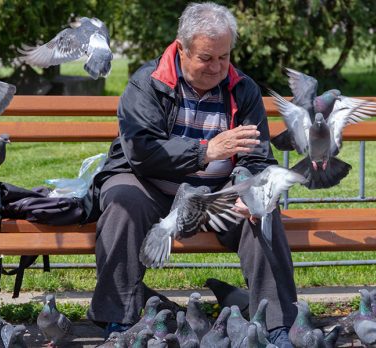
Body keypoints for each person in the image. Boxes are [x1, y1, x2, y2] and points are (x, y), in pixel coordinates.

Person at [88, 2, 297, 346]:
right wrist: (206, 151)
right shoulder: (146, 84)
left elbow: (258, 158)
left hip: (215, 194)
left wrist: (252, 190)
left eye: (224, 57)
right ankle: (117, 322)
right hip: (148, 186)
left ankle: (277, 325)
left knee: (261, 212)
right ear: (181, 49)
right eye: (205, 58)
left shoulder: (243, 88)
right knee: (123, 202)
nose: (217, 67)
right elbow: (141, 151)